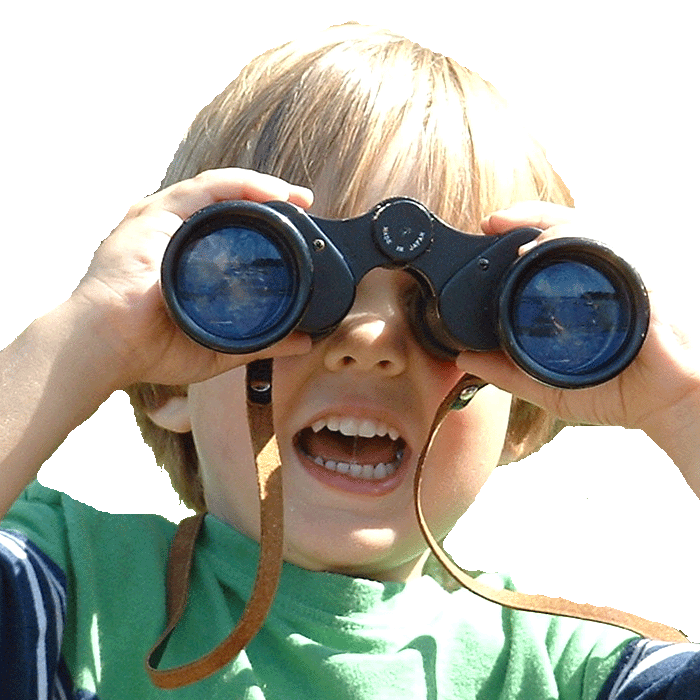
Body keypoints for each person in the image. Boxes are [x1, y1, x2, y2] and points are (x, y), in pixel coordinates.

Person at [1, 21, 698, 699]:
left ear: (523, 409)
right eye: (270, 286)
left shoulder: (574, 673)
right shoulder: (74, 597)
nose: (370, 343)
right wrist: (92, 337)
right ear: (167, 384)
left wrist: (682, 401)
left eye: (458, 316)